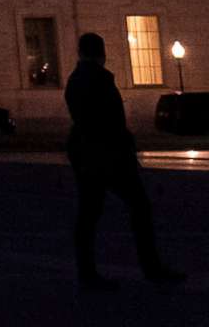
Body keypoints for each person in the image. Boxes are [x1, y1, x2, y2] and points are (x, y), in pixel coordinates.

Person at [65, 33, 181, 290]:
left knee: (89, 213)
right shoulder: (98, 79)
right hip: (107, 153)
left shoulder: (76, 80)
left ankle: (87, 271)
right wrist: (123, 145)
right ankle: (150, 266)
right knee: (138, 207)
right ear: (100, 53)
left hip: (88, 153)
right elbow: (109, 120)